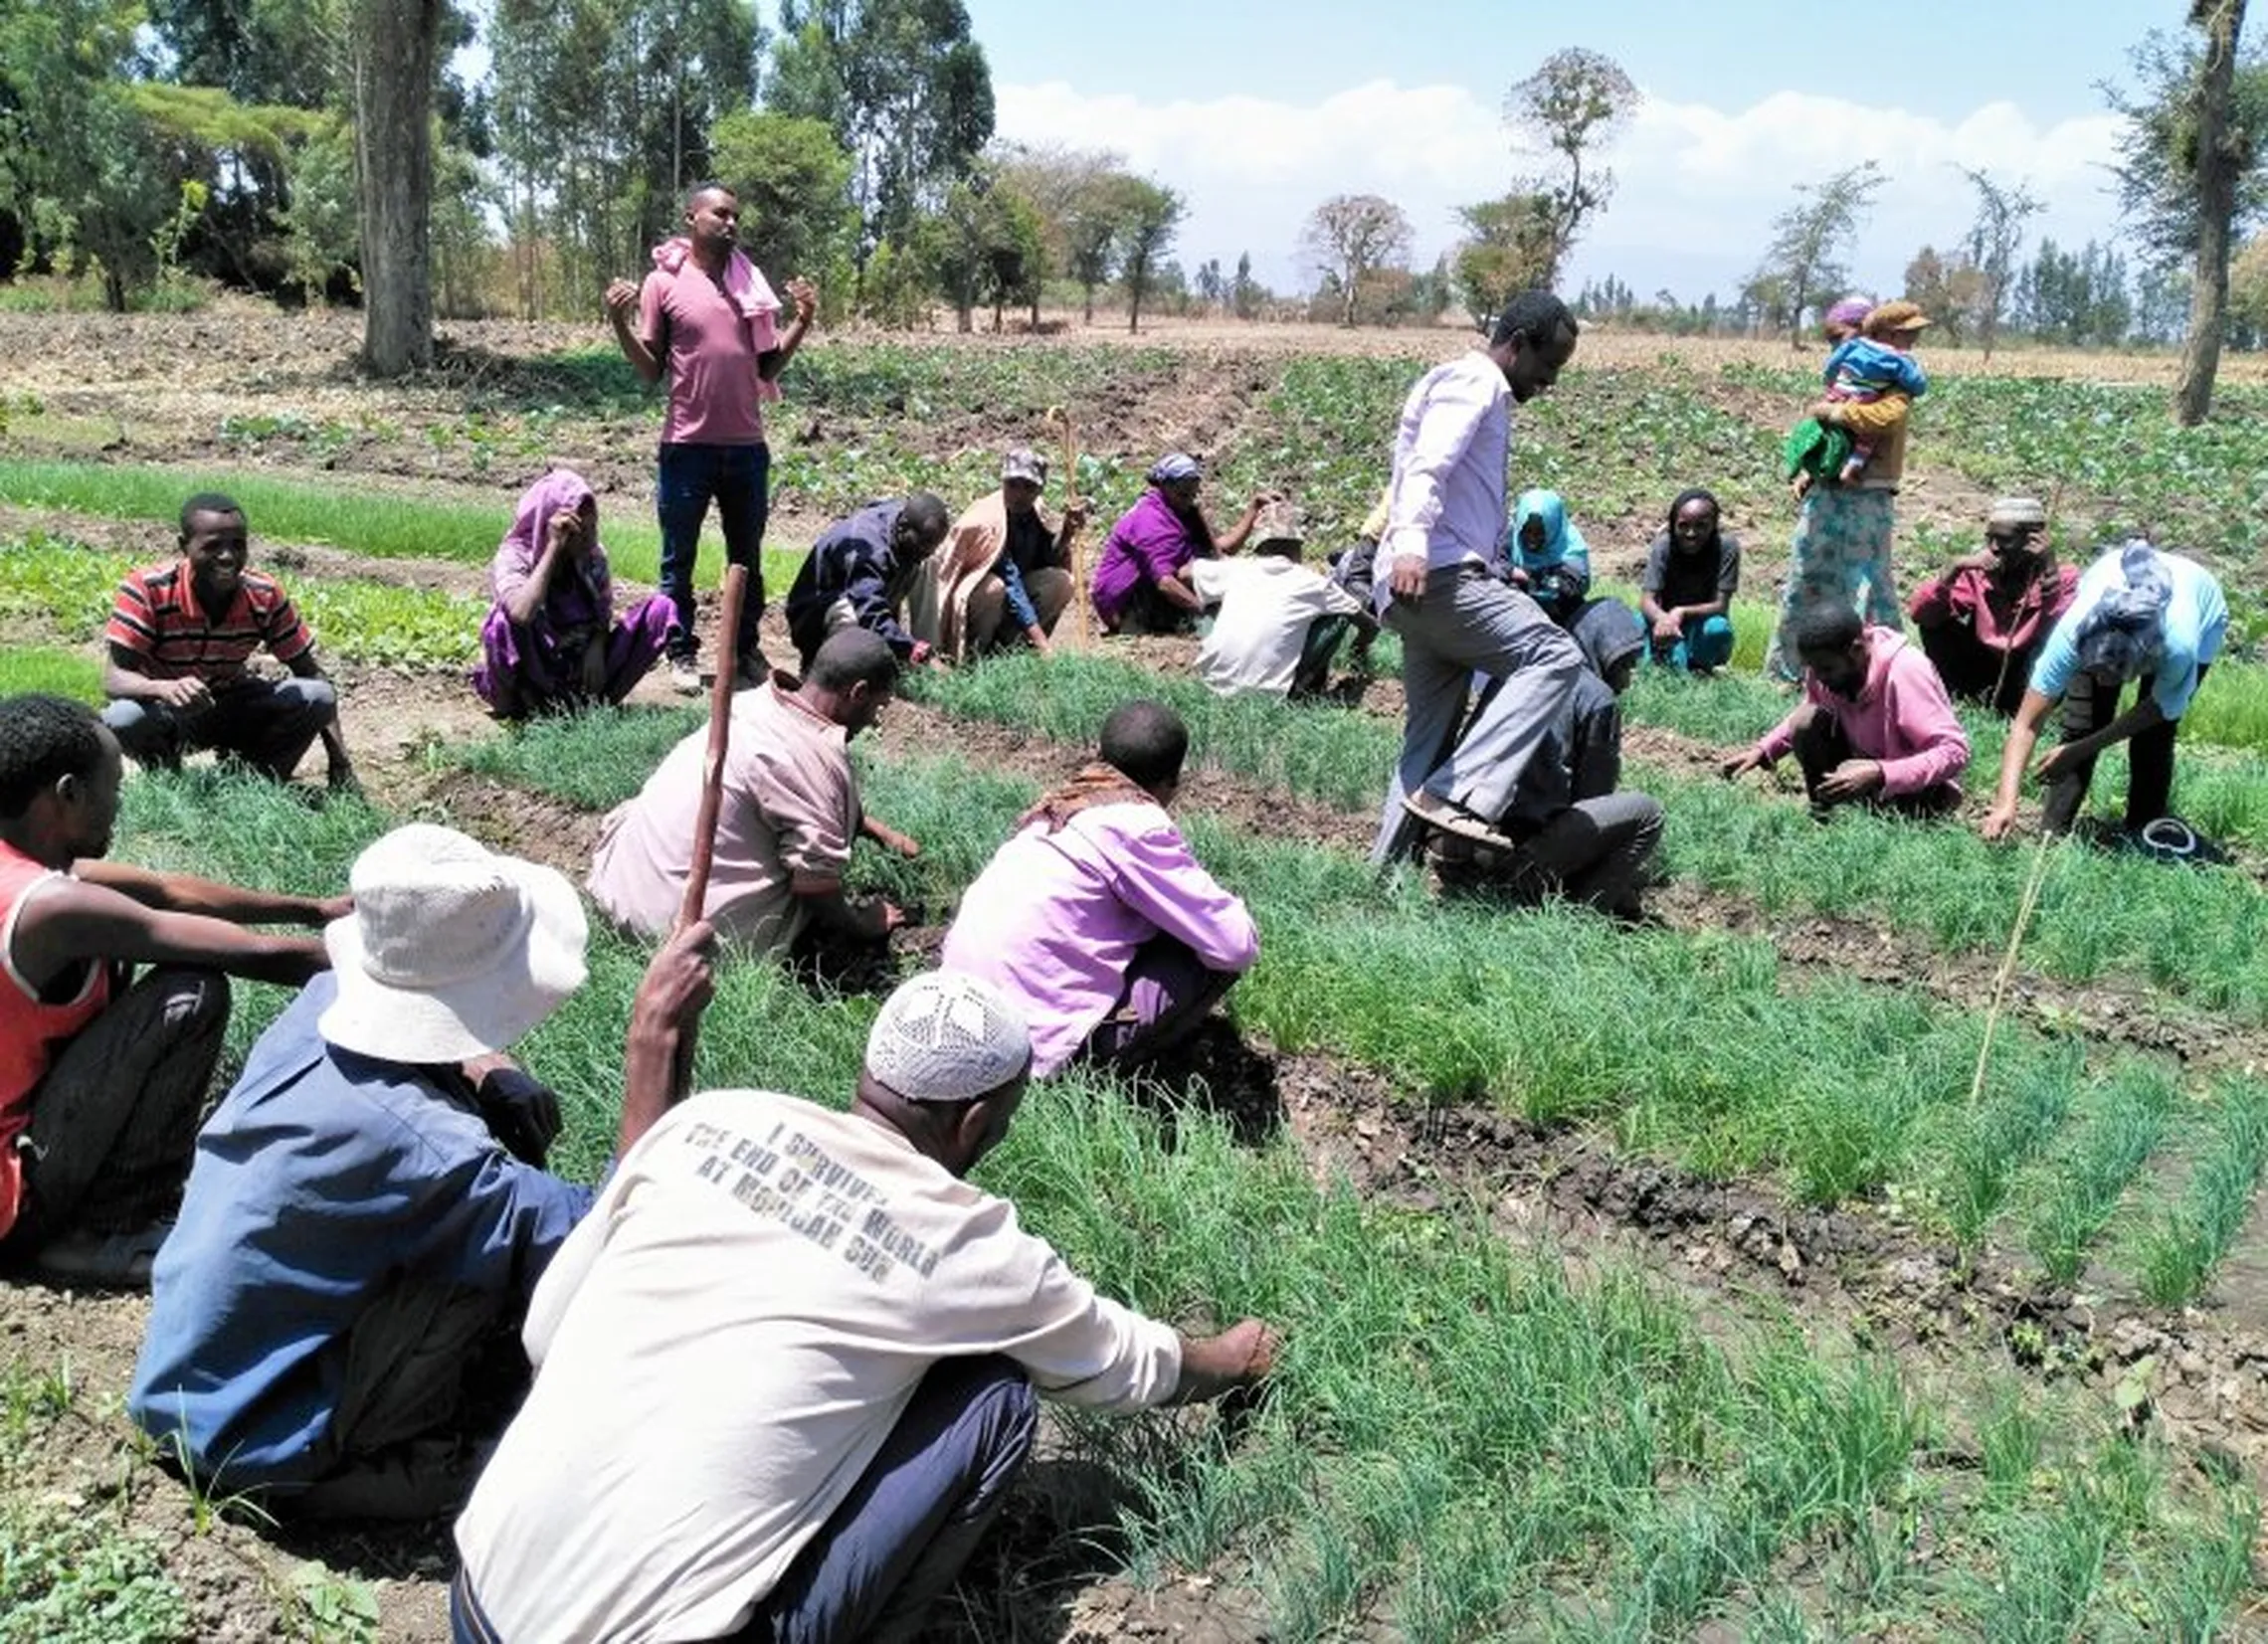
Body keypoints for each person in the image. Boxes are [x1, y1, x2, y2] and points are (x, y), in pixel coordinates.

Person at [451, 970, 1280, 1644]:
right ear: (980, 1116)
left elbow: (544, 1333)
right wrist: (1236, 1356)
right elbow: (1130, 1361)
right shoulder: (968, 1241)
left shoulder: (709, 1120)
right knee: (993, 1397)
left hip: (479, 1596)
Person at [128, 825, 717, 1519]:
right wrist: (654, 1044)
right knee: (495, 1349)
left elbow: (404, 1047)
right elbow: (613, 1242)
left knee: (499, 1131)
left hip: (189, 1377)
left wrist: (486, 1066)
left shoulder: (320, 1006)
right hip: (252, 1435)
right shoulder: (430, 1151)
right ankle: (396, 1464)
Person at [0, 694, 339, 1288]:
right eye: (114, 788)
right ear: (68, 794)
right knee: (190, 993)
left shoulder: (29, 872)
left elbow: (167, 891)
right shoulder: (53, 907)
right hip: (13, 1195)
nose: (120, 804)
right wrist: (403, 964)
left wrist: (315, 909)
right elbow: (248, 953)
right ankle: (106, 1229)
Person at [1370, 289, 1586, 864]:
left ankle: (1382, 875)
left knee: (1427, 739)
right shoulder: (1476, 383)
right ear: (1517, 346)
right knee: (1554, 656)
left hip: (1432, 581)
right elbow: (1427, 465)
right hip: (1434, 575)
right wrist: (1412, 542)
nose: (1551, 381)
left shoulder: (1473, 387)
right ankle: (1459, 797)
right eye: (1549, 365)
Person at [941, 700, 1257, 1077]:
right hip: (1030, 1053)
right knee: (1202, 947)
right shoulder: (1137, 824)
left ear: (1100, 756)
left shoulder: (1061, 807)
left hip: (955, 1021)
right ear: (1173, 781)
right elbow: (1235, 944)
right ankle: (1103, 1073)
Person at [588, 630, 918, 960]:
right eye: (880, 705)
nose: (877, 718)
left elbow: (793, 797)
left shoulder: (752, 703)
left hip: (617, 893)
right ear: (858, 692)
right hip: (673, 941)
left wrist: (877, 831)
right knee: (804, 901)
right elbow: (815, 888)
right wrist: (864, 923)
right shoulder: (812, 760)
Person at [605, 182, 818, 692]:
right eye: (720, 213)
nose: (731, 223)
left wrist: (803, 322)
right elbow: (651, 369)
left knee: (747, 556)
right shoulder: (663, 283)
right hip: (686, 447)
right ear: (691, 218)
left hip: (747, 448)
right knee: (678, 558)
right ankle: (679, 653)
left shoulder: (750, 286)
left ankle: (744, 650)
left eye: (735, 216)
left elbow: (767, 366)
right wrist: (618, 323)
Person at [101, 492, 358, 792]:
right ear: (184, 547)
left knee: (318, 696)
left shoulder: (263, 594)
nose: (227, 556)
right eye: (212, 546)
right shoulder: (148, 589)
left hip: (231, 706)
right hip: (168, 713)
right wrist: (165, 688)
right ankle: (168, 783)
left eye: (238, 545)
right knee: (124, 716)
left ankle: (254, 784)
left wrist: (340, 761)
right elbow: (114, 678)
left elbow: (309, 672)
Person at [1981, 538, 2227, 845]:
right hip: (2111, 573)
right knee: (2080, 724)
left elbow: (2160, 707)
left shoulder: (2178, 647)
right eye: (2094, 671)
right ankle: (2052, 835)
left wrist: (2079, 751)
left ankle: (2144, 830)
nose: (2104, 682)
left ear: (2145, 661)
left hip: (2201, 599)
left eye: (2113, 676)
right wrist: (2007, 801)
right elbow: (2026, 723)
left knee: (2154, 736)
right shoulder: (2072, 636)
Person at [1436, 600, 1660, 919]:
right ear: (1598, 647)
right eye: (1623, 665)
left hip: (1462, 832)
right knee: (1647, 813)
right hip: (1521, 848)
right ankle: (1582, 915)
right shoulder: (1597, 697)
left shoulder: (1515, 672)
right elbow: (1590, 805)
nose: (1626, 681)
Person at [1766, 301, 1928, 683]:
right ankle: (1794, 671)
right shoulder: (1850, 373)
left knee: (1865, 582)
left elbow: (1882, 418)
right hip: (1829, 492)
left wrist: (1833, 413)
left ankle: (1876, 675)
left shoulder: (1894, 379)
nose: (1834, 348)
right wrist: (1811, 471)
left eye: (1839, 338)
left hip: (1868, 494)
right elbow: (1828, 435)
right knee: (1809, 575)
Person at [1724, 605, 1969, 820]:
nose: (1819, 678)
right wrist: (1765, 749)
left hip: (1918, 791)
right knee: (1807, 719)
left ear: (1857, 650)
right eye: (1813, 668)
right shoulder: (1827, 668)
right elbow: (1808, 711)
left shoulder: (1905, 671)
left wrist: (1881, 773)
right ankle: (1825, 814)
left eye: (1827, 669)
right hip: (1863, 772)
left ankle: (1889, 818)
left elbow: (1953, 751)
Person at [471, 469, 675, 719]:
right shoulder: (514, 556)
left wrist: (597, 647)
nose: (592, 537)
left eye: (594, 526)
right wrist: (554, 547)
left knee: (661, 610)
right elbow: (521, 613)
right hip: (534, 670)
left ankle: (592, 703)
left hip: (579, 667)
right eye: (581, 530)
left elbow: (603, 615)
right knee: (502, 623)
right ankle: (522, 709)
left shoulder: (593, 557)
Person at [909, 450, 1088, 661]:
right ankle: (975, 657)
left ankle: (1013, 649)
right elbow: (1012, 583)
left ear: (1040, 490)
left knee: (1061, 581)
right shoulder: (988, 521)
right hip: (978, 601)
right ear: (1003, 482)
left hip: (1011, 603)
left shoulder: (1034, 512)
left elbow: (1047, 557)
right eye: (1012, 485)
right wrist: (1044, 644)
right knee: (995, 588)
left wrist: (1066, 532)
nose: (1019, 494)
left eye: (1028, 487)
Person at [1907, 496, 2079, 716]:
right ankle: (1959, 697)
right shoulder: (1979, 572)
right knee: (1938, 626)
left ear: (2033, 542)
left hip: (2027, 675)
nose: (1994, 548)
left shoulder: (2064, 577)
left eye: (2005, 540)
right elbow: (1922, 616)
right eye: (1990, 539)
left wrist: (2049, 570)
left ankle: (2024, 711)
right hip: (1984, 666)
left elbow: (2061, 634)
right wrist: (1951, 572)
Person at [1189, 509, 1370, 699]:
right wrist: (1359, 648)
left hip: (1211, 683)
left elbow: (1186, 572)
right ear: (1298, 547)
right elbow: (1365, 621)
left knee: (1212, 598)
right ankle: (1308, 688)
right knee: (1338, 616)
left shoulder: (1237, 569)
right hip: (1267, 694)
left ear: (1260, 549)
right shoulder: (1312, 583)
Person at [1090, 454, 1274, 636]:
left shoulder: (1182, 511)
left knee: (1210, 569)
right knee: (1192, 573)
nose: (1189, 500)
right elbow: (1165, 583)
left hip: (1155, 593)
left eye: (1193, 494)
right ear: (1165, 487)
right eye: (1183, 494)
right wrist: (1203, 611)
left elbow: (1219, 551)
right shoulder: (1151, 520)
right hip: (1127, 608)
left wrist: (1254, 509)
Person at [783, 494, 953, 669]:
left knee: (927, 564)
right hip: (813, 619)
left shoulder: (903, 523)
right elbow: (869, 614)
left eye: (934, 545)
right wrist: (912, 650)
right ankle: (828, 672)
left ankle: (929, 657)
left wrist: (922, 651)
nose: (930, 551)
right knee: (849, 614)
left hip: (860, 597)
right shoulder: (868, 552)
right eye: (924, 543)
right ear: (902, 526)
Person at [1639, 488, 1741, 671]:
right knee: (1633, 623)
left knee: (1717, 629)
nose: (1691, 534)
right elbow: (1647, 600)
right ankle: (1648, 664)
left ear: (1714, 525)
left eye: (1701, 526)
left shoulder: (1726, 547)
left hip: (1702, 622)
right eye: (1683, 526)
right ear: (1673, 524)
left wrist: (1681, 612)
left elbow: (1720, 604)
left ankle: (1704, 667)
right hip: (1664, 622)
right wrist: (1664, 619)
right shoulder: (1664, 545)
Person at [1505, 488, 1593, 627]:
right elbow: (1492, 566)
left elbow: (1576, 583)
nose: (1532, 539)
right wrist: (1512, 572)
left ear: (1553, 528)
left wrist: (1542, 580)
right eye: (1527, 531)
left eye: (1540, 533)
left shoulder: (1569, 545)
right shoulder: (1509, 539)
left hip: (1562, 614)